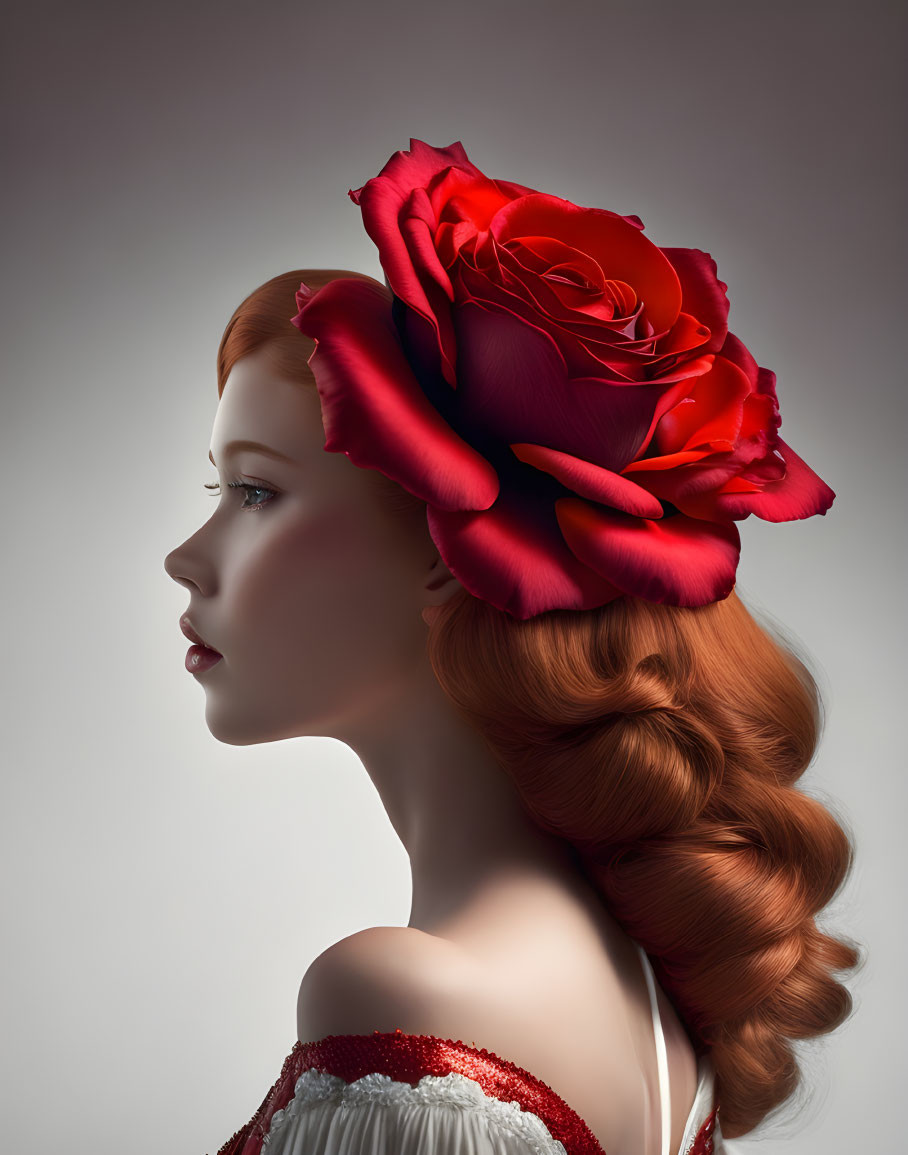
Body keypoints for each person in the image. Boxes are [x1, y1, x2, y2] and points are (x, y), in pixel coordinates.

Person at [163, 140, 859, 1155]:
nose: (187, 557)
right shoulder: (649, 1002)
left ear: (449, 550)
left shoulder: (405, 1000)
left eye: (255, 491)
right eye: (215, 492)